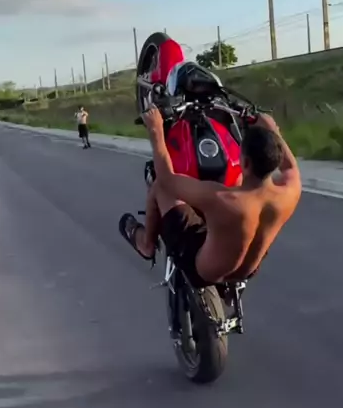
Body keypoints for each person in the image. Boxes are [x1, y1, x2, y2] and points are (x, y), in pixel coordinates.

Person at [120, 105, 301, 287]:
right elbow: (290, 167)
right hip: (249, 270)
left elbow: (167, 179)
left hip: (204, 273)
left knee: (160, 187)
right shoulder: (289, 192)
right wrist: (272, 130)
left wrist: (156, 130)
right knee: (237, 182)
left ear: (245, 162)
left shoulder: (221, 198)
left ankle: (147, 244)